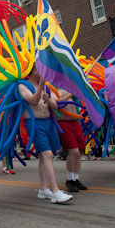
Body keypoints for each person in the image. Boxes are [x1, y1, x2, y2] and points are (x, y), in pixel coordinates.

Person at [18, 68, 72, 204]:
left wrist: (48, 99)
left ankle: (43, 190)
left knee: (44, 155)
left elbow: (55, 106)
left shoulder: (46, 87)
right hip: (34, 123)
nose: (43, 72)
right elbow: (33, 101)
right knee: (47, 154)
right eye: (40, 69)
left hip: (48, 122)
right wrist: (41, 84)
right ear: (34, 71)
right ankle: (55, 191)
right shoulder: (22, 85)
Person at [56, 89, 88, 193]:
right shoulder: (52, 88)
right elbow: (55, 103)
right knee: (73, 151)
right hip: (64, 122)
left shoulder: (68, 86)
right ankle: (69, 179)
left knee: (79, 152)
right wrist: (70, 93)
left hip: (75, 122)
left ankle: (75, 178)